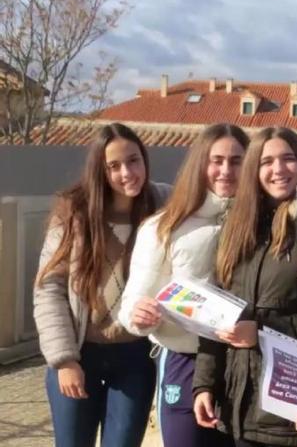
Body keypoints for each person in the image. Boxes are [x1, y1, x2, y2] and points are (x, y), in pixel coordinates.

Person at [33, 123, 170, 447]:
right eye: (114, 166)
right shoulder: (74, 212)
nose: (128, 173)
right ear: (100, 170)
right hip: (81, 353)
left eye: (134, 160)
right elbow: (48, 289)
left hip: (136, 356)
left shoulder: (165, 203)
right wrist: (64, 360)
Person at [192, 127, 297, 447]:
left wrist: (263, 331)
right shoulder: (237, 229)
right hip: (238, 408)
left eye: (288, 158)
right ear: (255, 169)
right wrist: (204, 385)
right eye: (267, 161)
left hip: (294, 416)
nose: (278, 169)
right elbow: (217, 315)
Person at [118, 124, 248, 447]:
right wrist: (139, 314)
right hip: (183, 362)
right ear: (199, 163)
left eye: (236, 160)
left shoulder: (264, 224)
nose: (225, 170)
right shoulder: (163, 227)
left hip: (246, 364)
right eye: (216, 160)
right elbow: (133, 302)